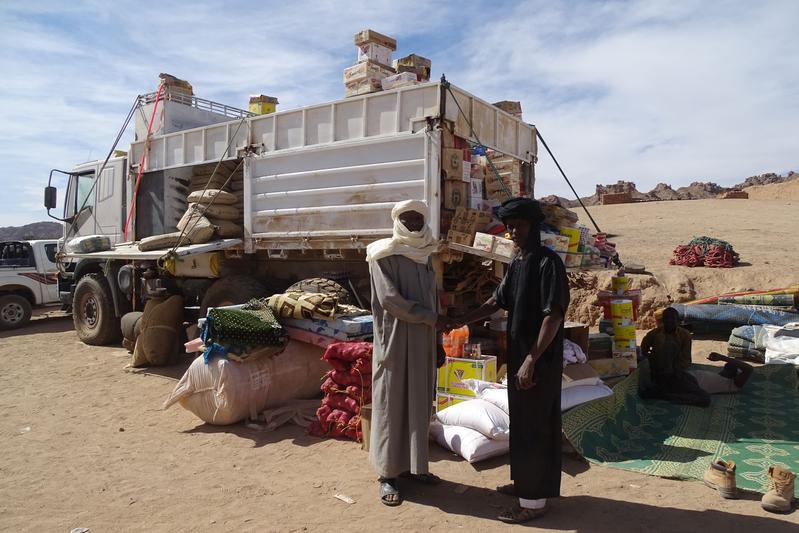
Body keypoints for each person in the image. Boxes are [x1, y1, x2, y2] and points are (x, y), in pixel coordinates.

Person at [458, 197, 569, 523]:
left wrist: (531, 359)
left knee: (536, 426)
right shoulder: (519, 262)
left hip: (539, 361)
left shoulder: (549, 263)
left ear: (533, 226)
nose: (512, 233)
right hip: (523, 357)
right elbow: (497, 300)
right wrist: (463, 318)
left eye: (517, 227)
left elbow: (554, 316)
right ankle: (527, 485)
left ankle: (532, 503)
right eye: (509, 227)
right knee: (522, 424)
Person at [366, 199, 452, 507]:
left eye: (418, 218)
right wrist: (432, 319)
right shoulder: (381, 254)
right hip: (395, 340)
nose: (414, 224)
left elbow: (433, 298)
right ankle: (387, 474)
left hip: (423, 339)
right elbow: (390, 300)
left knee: (418, 402)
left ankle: (416, 467)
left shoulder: (426, 252)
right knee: (391, 402)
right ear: (398, 220)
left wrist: (437, 338)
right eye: (408, 218)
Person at [639, 307, 753, 406]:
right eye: (666, 319)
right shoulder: (655, 333)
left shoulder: (733, 384)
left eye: (733, 368)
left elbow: (749, 369)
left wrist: (723, 358)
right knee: (667, 348)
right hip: (684, 375)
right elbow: (644, 351)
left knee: (704, 399)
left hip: (691, 382)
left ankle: (662, 393)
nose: (730, 365)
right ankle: (662, 386)